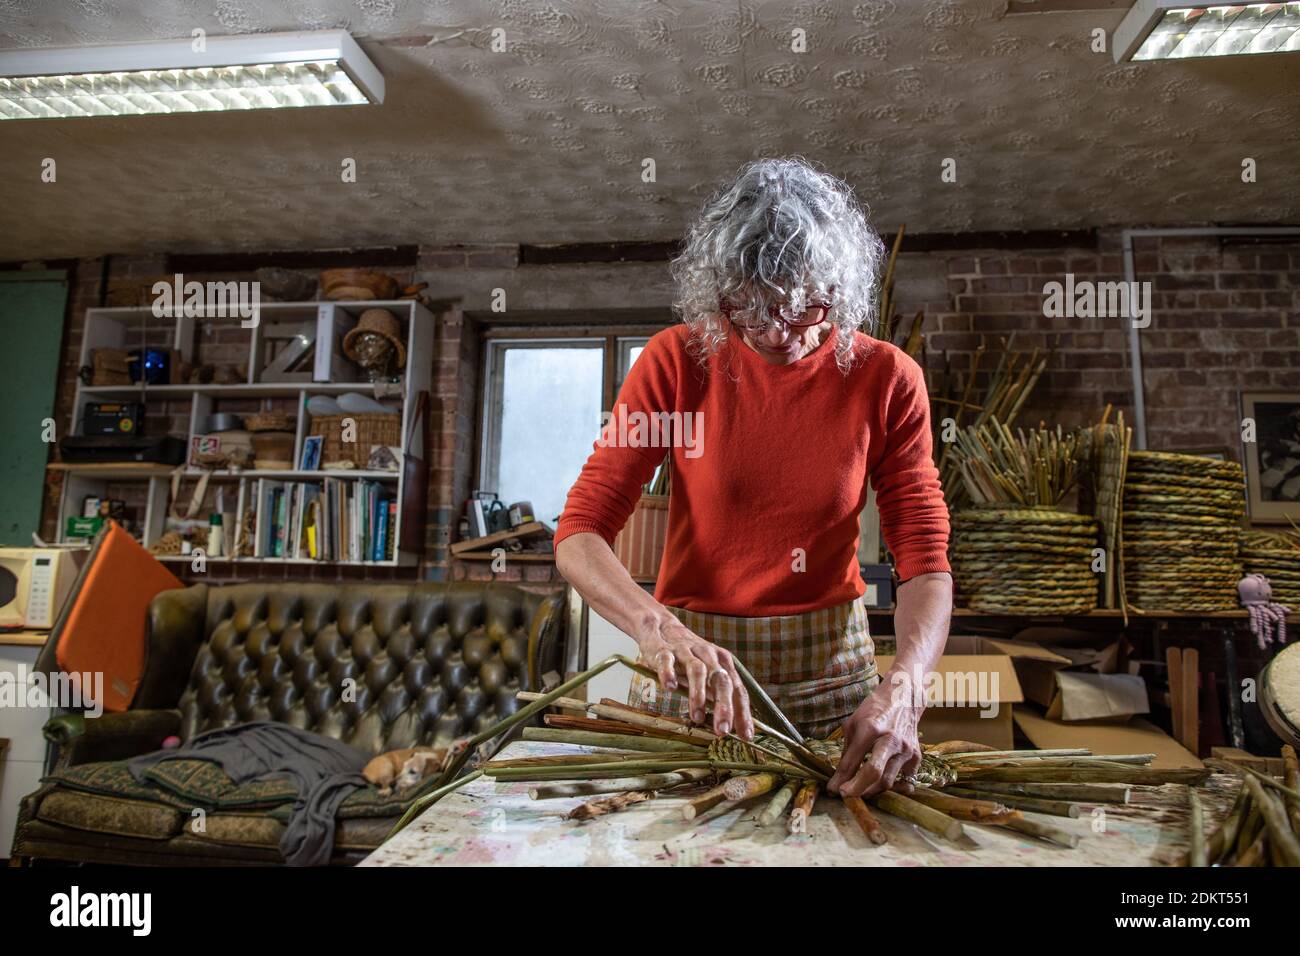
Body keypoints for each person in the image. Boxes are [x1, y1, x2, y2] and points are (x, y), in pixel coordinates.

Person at [554, 157, 952, 798]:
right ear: (719, 297)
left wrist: (906, 686)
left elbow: (925, 562)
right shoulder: (678, 362)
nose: (778, 334)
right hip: (696, 666)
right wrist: (659, 630)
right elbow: (579, 532)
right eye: (751, 311)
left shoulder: (888, 379)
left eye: (805, 310)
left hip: (832, 672)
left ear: (841, 292)